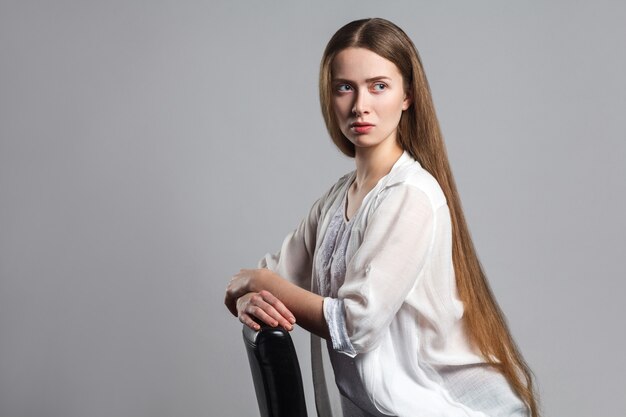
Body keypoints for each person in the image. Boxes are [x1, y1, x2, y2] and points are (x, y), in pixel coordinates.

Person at [225, 17, 539, 417]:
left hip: (448, 408)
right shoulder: (336, 199)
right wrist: (248, 296)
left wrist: (260, 283)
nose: (360, 105)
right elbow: (272, 278)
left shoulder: (410, 195)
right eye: (345, 87)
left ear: (406, 95)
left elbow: (356, 325)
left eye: (379, 86)